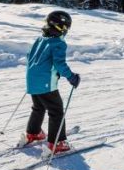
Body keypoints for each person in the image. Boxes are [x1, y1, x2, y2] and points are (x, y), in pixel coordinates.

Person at [20, 8, 81, 154]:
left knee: (39, 107)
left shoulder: (40, 39)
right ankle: (57, 143)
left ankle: (33, 133)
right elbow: (59, 63)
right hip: (46, 83)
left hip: (32, 80)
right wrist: (71, 77)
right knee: (56, 111)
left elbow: (30, 57)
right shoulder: (58, 43)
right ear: (62, 27)